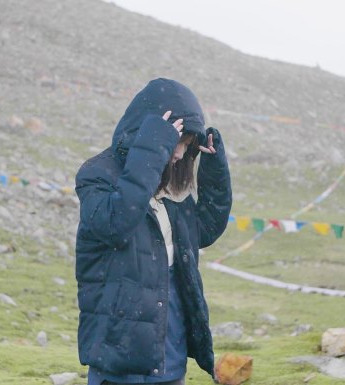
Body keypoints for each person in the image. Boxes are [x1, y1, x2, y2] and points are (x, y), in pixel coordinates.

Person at [74, 78, 232, 384]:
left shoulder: (171, 189)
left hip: (168, 354)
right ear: (150, 134)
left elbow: (206, 230)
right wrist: (151, 150)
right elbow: (117, 223)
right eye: (178, 142)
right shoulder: (96, 175)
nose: (179, 154)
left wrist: (213, 167)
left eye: (187, 146)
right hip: (118, 357)